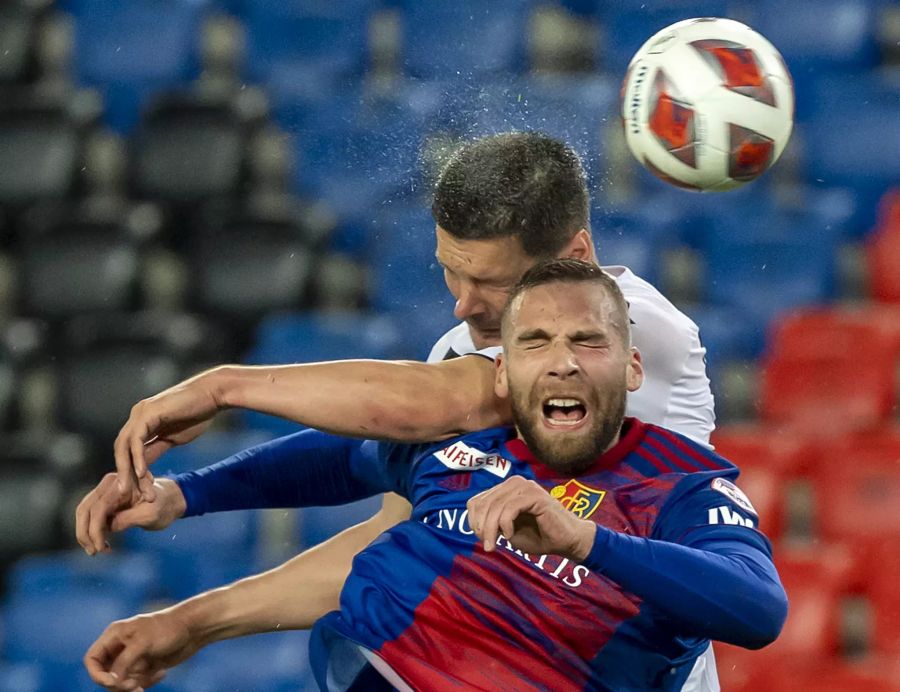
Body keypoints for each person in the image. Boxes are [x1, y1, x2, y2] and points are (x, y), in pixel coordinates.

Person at [75, 131, 715, 653]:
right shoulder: (457, 350)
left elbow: (443, 402)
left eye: (490, 281)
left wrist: (225, 387)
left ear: (576, 255)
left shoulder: (636, 330)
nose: (463, 304)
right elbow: (387, 538)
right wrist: (192, 610)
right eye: (448, 270)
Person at [85, 260, 786, 692]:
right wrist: (184, 494)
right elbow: (341, 459)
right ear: (502, 373)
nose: (563, 363)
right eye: (536, 343)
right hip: (374, 668)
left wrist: (585, 542)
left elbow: (759, 610)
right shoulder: (464, 451)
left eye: (588, 342)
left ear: (632, 368)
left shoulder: (683, 487)